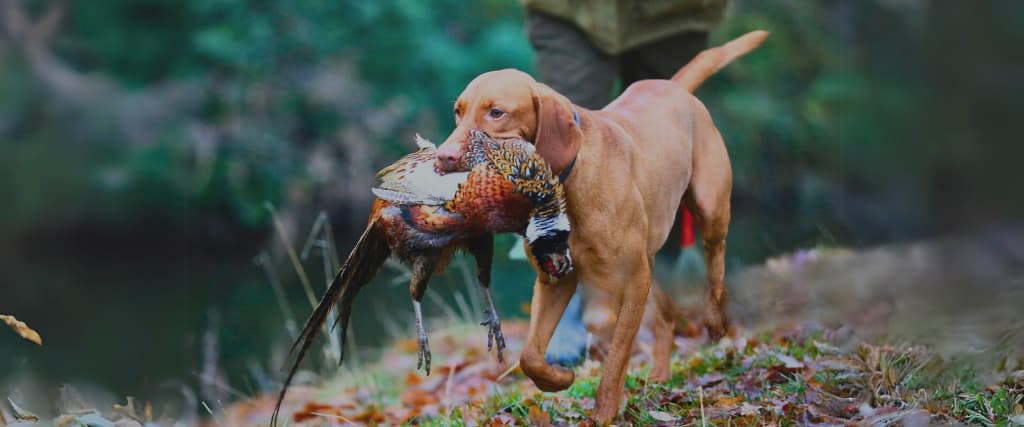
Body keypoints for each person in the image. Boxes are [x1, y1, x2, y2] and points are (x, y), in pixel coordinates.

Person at [520, 0, 729, 366]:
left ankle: (660, 292)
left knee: (664, 147)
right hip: (569, 12)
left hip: (675, 15)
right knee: (564, 140)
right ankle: (569, 297)